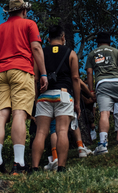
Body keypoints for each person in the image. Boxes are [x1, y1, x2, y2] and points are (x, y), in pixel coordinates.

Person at [0, 0, 48, 175]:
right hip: (21, 70)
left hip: (0, 73)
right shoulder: (29, 24)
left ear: (9, 12)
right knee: (19, 114)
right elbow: (36, 48)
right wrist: (43, 74)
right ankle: (19, 163)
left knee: (1, 114)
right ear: (23, 11)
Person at [31, 25, 81, 173]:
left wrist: (35, 100)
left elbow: (35, 78)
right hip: (63, 95)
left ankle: (34, 167)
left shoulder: (41, 54)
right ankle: (61, 167)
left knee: (41, 132)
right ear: (63, 37)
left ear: (48, 39)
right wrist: (77, 102)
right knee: (62, 131)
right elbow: (76, 78)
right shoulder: (71, 53)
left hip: (44, 95)